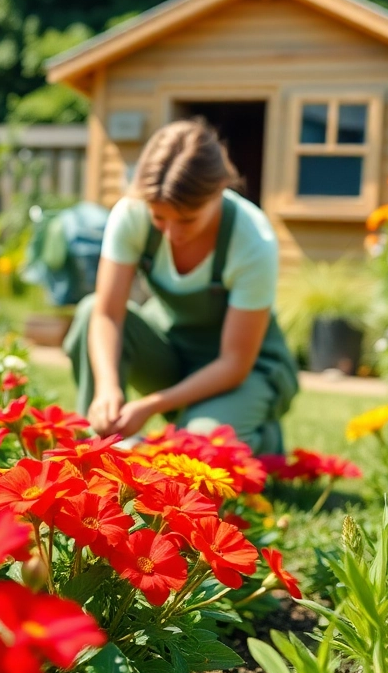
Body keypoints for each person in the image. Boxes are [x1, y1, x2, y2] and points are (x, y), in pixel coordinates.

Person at [63, 119, 298, 453]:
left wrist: (150, 406)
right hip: (172, 353)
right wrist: (108, 388)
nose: (171, 233)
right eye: (159, 218)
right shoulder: (131, 215)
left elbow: (234, 363)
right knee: (88, 312)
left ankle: (265, 441)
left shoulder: (252, 240)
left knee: (196, 450)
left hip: (243, 373)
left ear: (219, 191)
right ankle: (92, 449)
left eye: (187, 219)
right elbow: (107, 314)